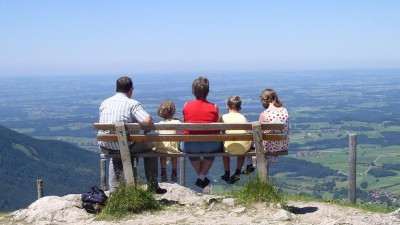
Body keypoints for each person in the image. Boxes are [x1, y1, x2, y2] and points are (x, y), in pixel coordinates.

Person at [98, 76, 167, 194]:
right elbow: (147, 120)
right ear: (130, 89)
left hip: (106, 145)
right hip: (127, 145)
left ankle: (114, 191)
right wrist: (145, 128)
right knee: (151, 150)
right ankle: (153, 186)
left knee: (116, 154)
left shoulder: (105, 103)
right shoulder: (132, 104)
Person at [180, 77, 223, 189]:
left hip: (190, 145)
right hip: (211, 145)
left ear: (193, 91)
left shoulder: (186, 105)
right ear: (207, 92)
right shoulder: (214, 107)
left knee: (190, 151)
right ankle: (201, 177)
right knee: (211, 153)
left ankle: (201, 177)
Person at [220, 96, 251, 184]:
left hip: (228, 148)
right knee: (242, 144)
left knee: (224, 148)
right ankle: (237, 172)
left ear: (227, 106)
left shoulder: (223, 117)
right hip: (243, 148)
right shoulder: (243, 117)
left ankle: (227, 172)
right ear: (240, 108)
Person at [258, 88, 289, 164]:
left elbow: (259, 133)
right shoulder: (284, 111)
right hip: (282, 145)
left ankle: (251, 165)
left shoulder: (264, 114)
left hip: (268, 147)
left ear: (264, 100)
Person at [155, 99, 181, 182]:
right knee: (174, 155)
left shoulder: (159, 124)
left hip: (161, 149)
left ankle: (163, 172)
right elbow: (183, 130)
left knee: (163, 154)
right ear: (173, 111)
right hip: (174, 149)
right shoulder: (177, 122)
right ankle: (174, 172)